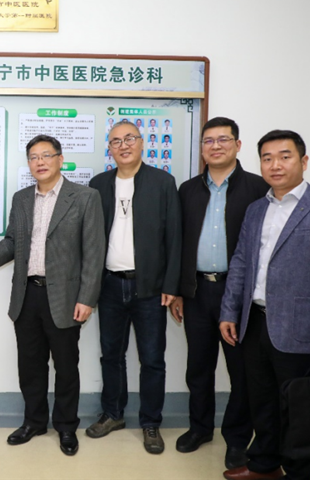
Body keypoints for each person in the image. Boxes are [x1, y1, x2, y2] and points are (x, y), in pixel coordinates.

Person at [219, 130, 310, 480]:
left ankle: (297, 473)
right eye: (267, 158)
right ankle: (264, 465)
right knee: (262, 401)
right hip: (255, 323)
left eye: (285, 156)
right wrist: (229, 311)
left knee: (299, 408)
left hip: (303, 329)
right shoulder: (256, 210)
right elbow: (240, 263)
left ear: (303, 161)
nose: (275, 165)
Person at [0, 134, 105, 456]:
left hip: (66, 297)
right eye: (34, 157)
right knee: (30, 366)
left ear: (60, 159)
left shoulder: (85, 197)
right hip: (27, 296)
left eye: (46, 155)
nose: (40, 162)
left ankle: (66, 426)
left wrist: (87, 298)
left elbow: (94, 252)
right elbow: (12, 242)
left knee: (66, 367)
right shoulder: (22, 198)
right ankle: (34, 422)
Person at [174, 117, 269, 470]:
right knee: (198, 366)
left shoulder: (258, 188)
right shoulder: (188, 190)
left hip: (239, 294)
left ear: (238, 145)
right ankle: (200, 428)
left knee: (240, 370)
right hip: (197, 290)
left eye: (223, 140)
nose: (215, 146)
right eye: (208, 141)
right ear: (201, 148)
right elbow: (179, 244)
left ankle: (237, 439)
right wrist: (179, 290)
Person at [86, 119, 182, 455]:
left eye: (130, 138)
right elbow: (89, 239)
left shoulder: (162, 182)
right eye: (116, 141)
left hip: (150, 288)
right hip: (110, 285)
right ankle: (113, 414)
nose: (123, 145)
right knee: (111, 355)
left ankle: (151, 422)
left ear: (142, 143)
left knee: (152, 359)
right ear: (109, 148)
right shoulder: (98, 184)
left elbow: (175, 238)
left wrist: (172, 285)